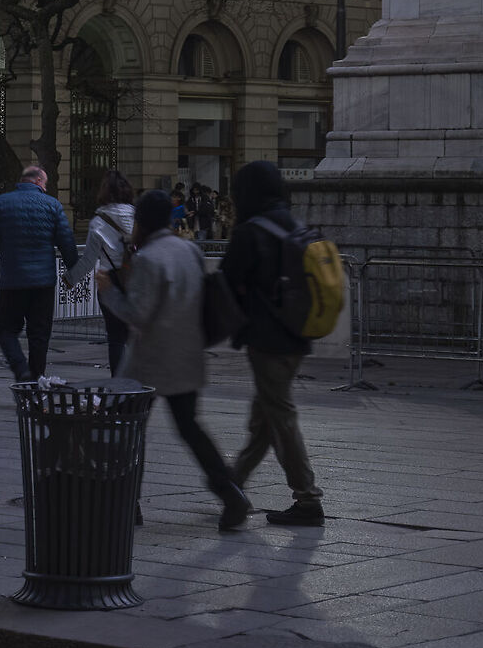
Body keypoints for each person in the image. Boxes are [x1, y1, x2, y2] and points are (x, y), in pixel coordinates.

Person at [101, 189, 252, 531]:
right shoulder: (189, 249)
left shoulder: (148, 258)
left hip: (149, 360)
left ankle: (126, 502)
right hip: (187, 353)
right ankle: (230, 492)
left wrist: (108, 290)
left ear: (141, 221)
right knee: (191, 429)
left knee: (127, 429)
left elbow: (137, 313)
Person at [219, 160, 325, 527]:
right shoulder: (295, 224)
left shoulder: (252, 230)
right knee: (263, 418)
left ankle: (308, 499)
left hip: (268, 339)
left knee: (279, 417)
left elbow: (227, 279)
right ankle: (233, 486)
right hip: (298, 335)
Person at [0, 164, 77, 384]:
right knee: (39, 335)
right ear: (39, 181)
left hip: (13, 279)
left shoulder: (0, 203)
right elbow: (66, 242)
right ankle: (37, 380)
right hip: (43, 282)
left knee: (7, 331)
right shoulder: (53, 205)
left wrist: (2, 252)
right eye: (45, 183)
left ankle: (21, 370)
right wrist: (74, 271)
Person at [66, 170, 138, 376]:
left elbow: (89, 259)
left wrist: (70, 279)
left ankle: (118, 384)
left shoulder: (98, 221)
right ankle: (138, 383)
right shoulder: (138, 216)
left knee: (115, 338)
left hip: (109, 281)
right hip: (136, 280)